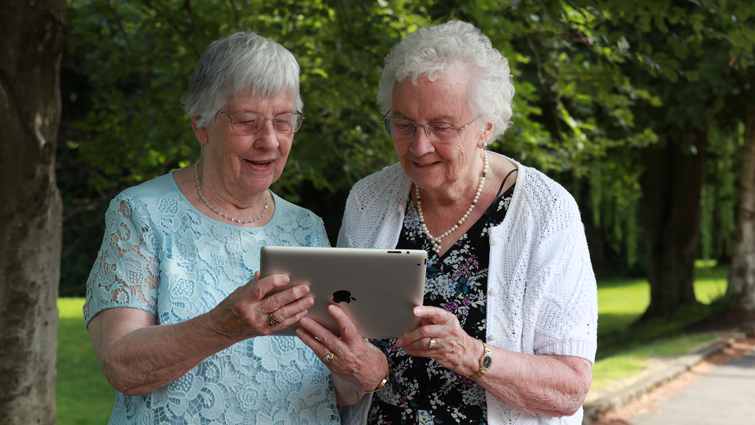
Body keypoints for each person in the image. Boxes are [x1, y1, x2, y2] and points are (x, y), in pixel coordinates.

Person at [83, 31, 384, 425]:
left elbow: (332, 385)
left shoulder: (306, 227)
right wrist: (220, 327)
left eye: (283, 121)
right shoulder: (141, 212)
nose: (270, 141)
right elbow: (121, 366)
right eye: (247, 122)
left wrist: (360, 371)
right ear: (201, 125)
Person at [333, 21, 598, 425]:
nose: (420, 146)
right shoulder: (368, 201)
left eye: (442, 126)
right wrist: (359, 372)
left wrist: (472, 354)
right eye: (403, 124)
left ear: (486, 126)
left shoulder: (546, 213)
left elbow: (569, 388)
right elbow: (342, 355)